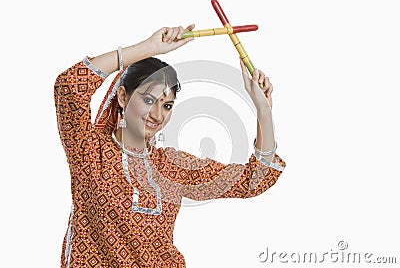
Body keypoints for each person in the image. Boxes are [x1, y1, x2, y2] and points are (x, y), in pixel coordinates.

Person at [54, 24, 286, 268]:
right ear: (123, 97)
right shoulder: (89, 151)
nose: (157, 115)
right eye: (148, 100)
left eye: (166, 106)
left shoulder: (171, 167)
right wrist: (149, 48)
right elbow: (69, 85)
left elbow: (255, 179)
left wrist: (264, 111)